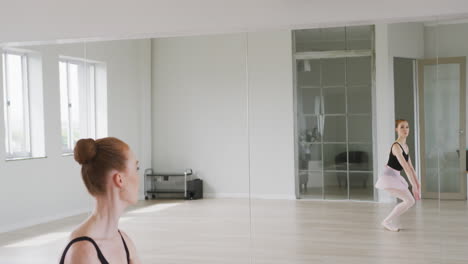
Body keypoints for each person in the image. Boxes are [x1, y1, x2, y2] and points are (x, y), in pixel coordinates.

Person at [59, 137, 141, 263]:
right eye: (136, 169)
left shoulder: (125, 241)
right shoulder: (83, 252)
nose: (138, 178)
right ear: (120, 179)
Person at [375, 119, 421, 232]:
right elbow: (406, 168)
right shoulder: (396, 147)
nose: (405, 130)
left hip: (395, 176)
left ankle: (387, 221)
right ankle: (386, 221)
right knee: (409, 201)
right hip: (388, 178)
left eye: (407, 127)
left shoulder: (405, 146)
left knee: (410, 201)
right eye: (402, 127)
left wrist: (417, 183)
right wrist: (413, 185)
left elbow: (411, 168)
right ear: (396, 129)